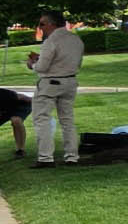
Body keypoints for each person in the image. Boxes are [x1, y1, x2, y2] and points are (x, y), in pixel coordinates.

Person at [24, 11, 84, 167]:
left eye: (42, 24)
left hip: (50, 83)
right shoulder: (76, 40)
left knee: (42, 119)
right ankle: (72, 156)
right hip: (70, 82)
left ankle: (45, 158)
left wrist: (33, 64)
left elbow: (42, 67)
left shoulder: (51, 41)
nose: (40, 27)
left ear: (52, 24)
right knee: (68, 121)